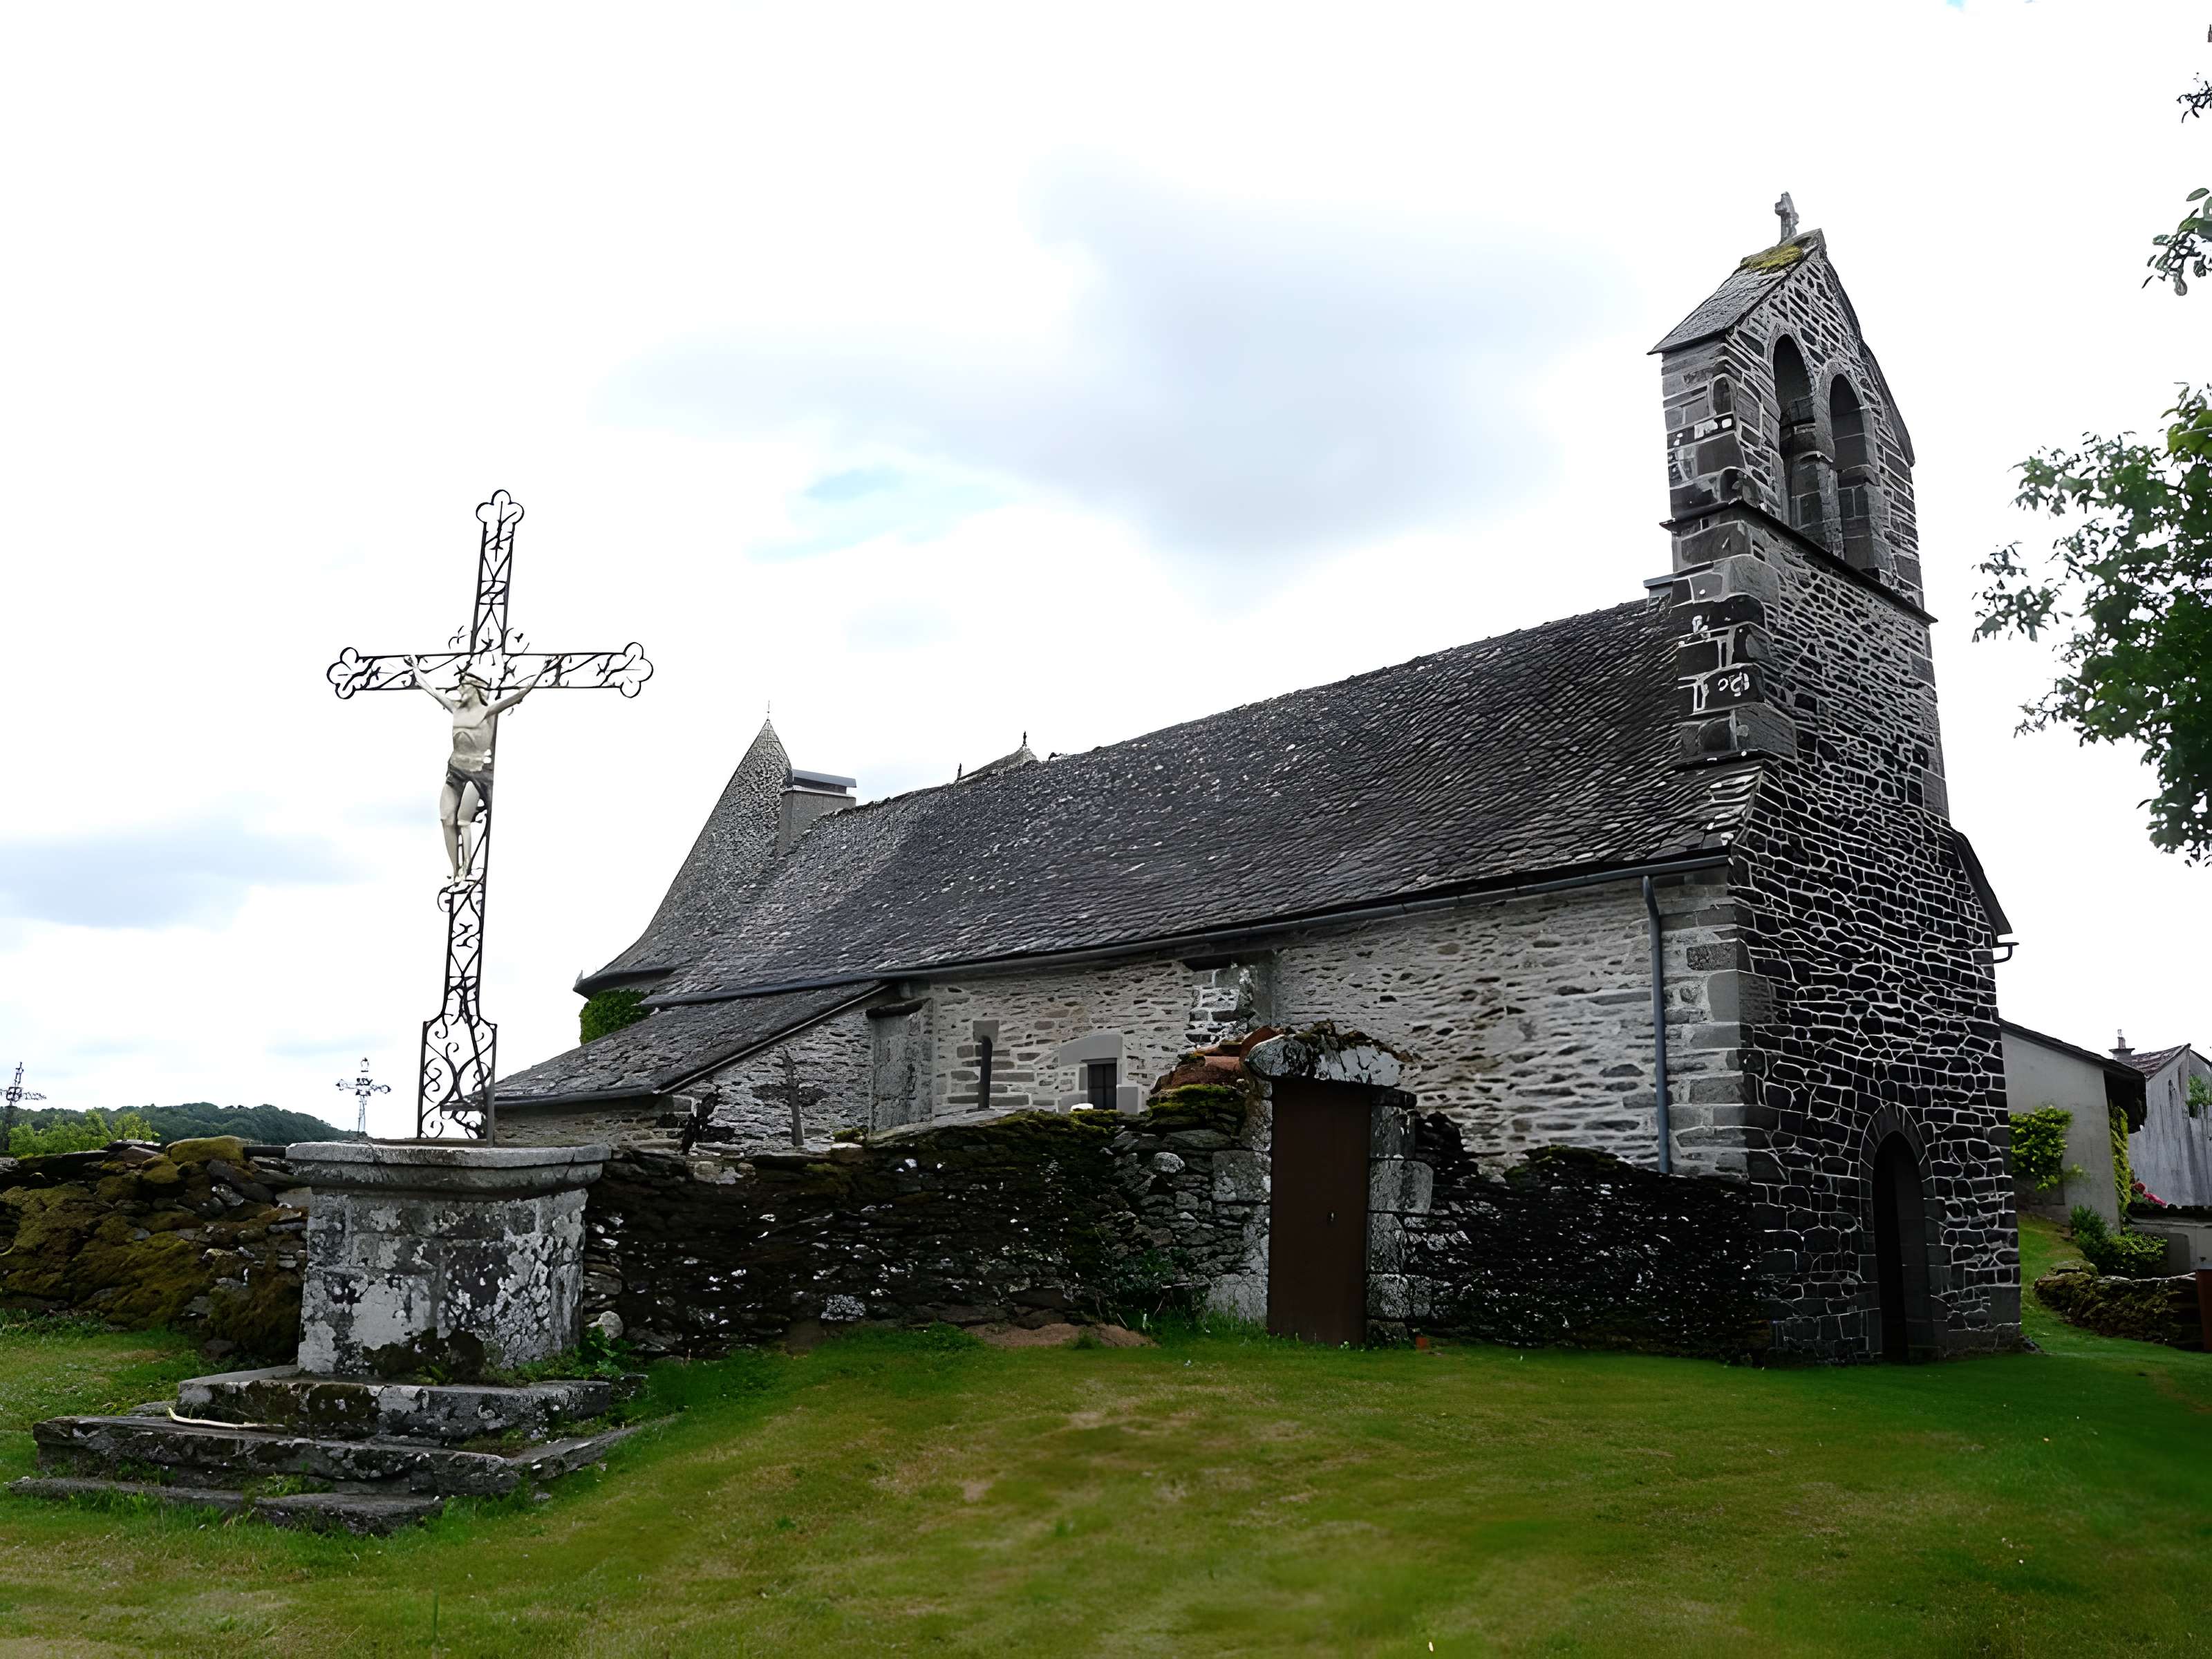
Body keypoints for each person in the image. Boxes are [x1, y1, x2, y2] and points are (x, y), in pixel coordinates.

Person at [405, 656, 549, 880]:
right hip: (454, 771)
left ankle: (466, 870)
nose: (460, 689)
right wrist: (415, 669)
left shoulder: (487, 711)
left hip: (476, 773)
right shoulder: (456, 708)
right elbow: (431, 691)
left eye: (464, 686)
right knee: (446, 819)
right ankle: (455, 871)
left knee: (463, 820)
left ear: (474, 689)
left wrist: (541, 672)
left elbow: (519, 695)